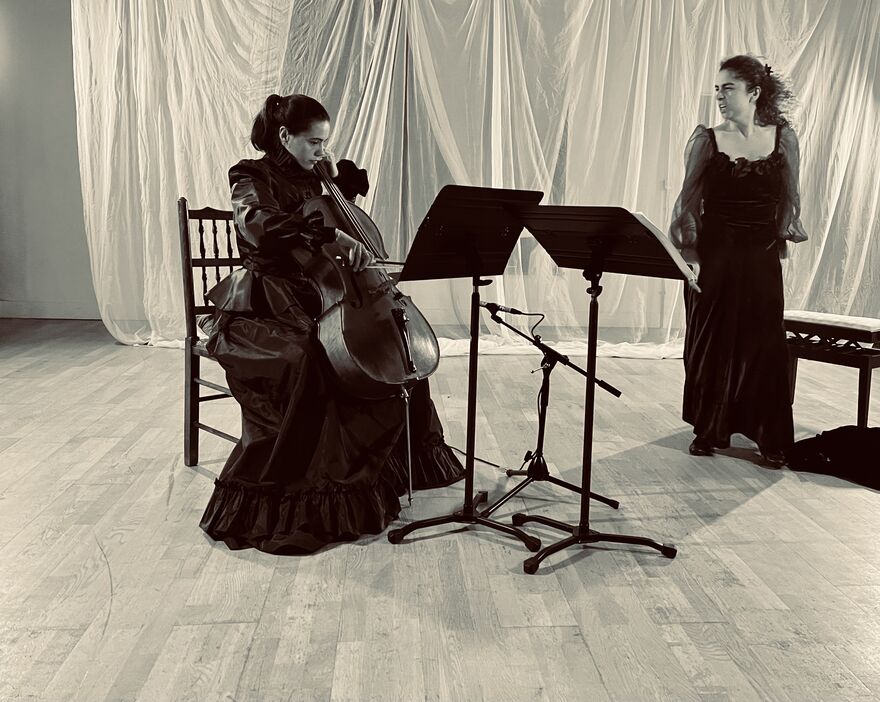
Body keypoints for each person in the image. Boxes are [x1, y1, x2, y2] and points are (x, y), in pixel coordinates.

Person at [199, 93, 464, 553]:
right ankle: (311, 489)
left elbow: (330, 222)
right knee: (310, 357)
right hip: (266, 303)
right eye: (313, 142)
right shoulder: (250, 176)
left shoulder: (316, 177)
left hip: (317, 294)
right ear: (284, 136)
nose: (322, 152)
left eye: (325, 143)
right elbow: (258, 224)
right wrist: (325, 230)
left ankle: (396, 464)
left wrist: (342, 197)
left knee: (388, 346)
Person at [669, 55, 808, 469]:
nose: (719, 96)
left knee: (765, 346)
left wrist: (779, 242)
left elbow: (789, 197)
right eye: (716, 89)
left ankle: (770, 437)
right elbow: (688, 204)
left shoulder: (783, 138)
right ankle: (708, 430)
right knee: (711, 343)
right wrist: (691, 256)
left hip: (761, 256)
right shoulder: (706, 140)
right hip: (716, 256)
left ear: (754, 92)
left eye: (727, 88)